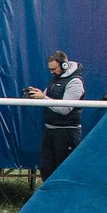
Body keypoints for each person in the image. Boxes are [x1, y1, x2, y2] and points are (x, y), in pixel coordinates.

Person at [24, 48, 84, 177]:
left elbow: (64, 108)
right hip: (50, 131)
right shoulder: (55, 78)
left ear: (64, 65)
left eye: (54, 69)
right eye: (50, 69)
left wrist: (43, 98)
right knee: (46, 170)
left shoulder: (75, 82)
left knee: (64, 172)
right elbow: (46, 97)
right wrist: (35, 94)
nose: (51, 72)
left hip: (67, 132)